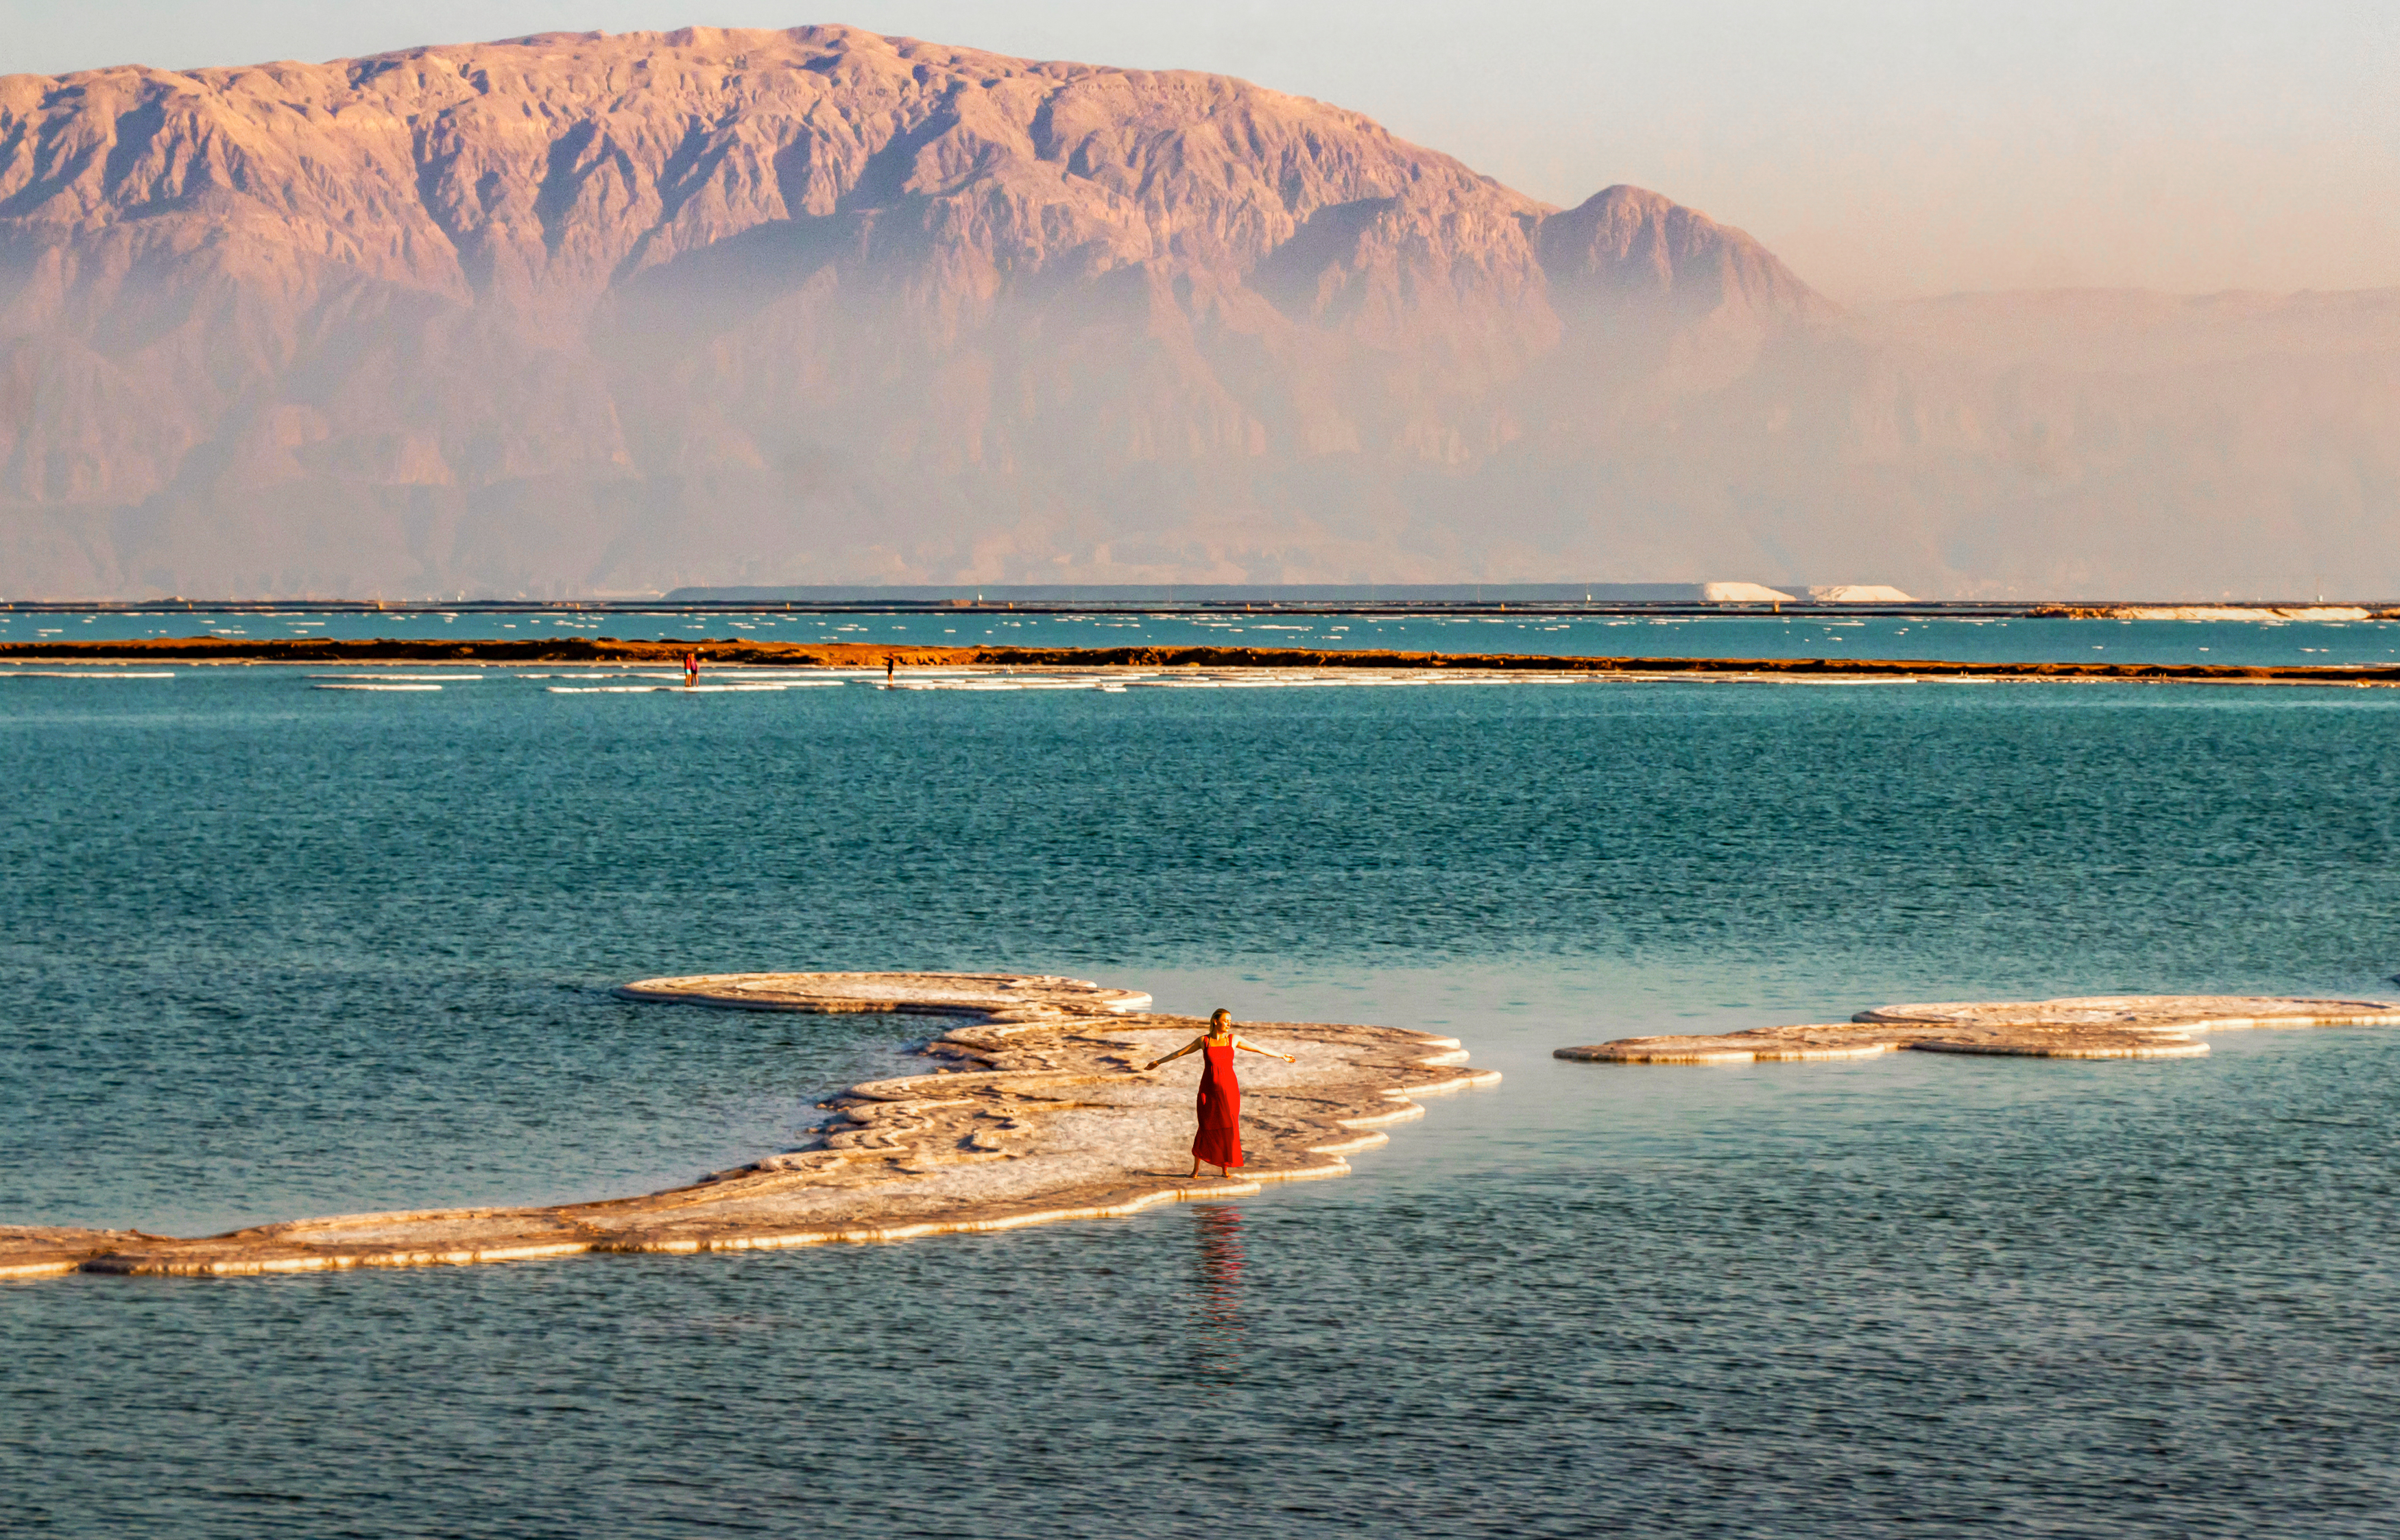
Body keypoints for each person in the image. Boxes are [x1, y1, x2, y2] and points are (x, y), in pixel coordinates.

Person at [1142, 1009, 1295, 1178]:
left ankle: (1224, 1168)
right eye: (1226, 1020)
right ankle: (1195, 1170)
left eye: (1230, 1020)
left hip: (1230, 1091)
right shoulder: (1204, 1041)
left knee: (1228, 1126)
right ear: (1216, 1021)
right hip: (1208, 1091)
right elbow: (1179, 1053)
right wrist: (1158, 1062)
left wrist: (1282, 1055)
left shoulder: (1233, 1040)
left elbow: (1258, 1049)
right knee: (1205, 1126)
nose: (1229, 1023)